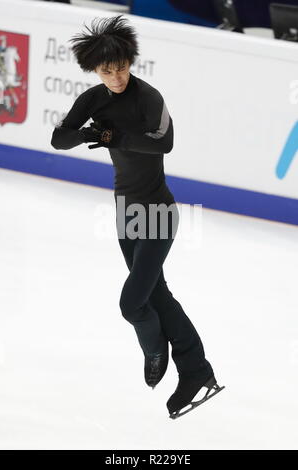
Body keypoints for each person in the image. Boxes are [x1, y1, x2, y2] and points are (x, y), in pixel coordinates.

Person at [50, 15, 224, 419]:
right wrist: (87, 133)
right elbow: (59, 139)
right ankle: (196, 373)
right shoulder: (93, 99)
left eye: (122, 67)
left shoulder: (148, 97)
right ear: (95, 70)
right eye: (106, 71)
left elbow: (165, 142)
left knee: (133, 304)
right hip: (125, 211)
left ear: (131, 60)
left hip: (159, 210)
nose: (116, 77)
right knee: (155, 295)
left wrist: (113, 137)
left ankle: (156, 352)